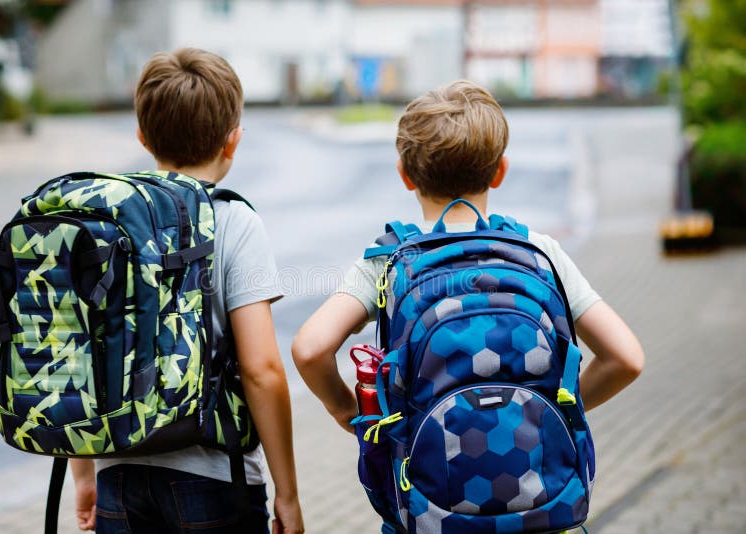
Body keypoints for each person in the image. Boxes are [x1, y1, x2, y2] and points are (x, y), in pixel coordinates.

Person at [292, 80, 644, 434]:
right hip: (540, 481)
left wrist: (345, 409)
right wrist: (553, 412)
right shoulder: (540, 254)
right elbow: (625, 359)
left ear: (405, 176)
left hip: (424, 477)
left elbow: (310, 350)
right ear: (500, 172)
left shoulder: (388, 263)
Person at [69, 48, 304, 534]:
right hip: (215, 476)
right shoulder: (233, 219)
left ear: (142, 135)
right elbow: (261, 370)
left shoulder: (104, 222)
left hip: (119, 470)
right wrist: (288, 492)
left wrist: (85, 476)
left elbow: (84, 355)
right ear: (232, 141)